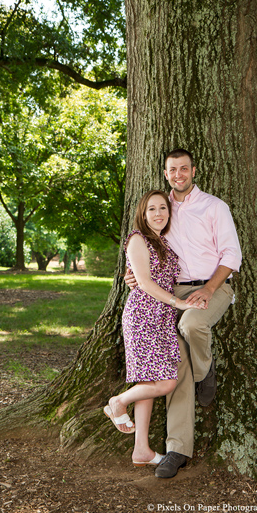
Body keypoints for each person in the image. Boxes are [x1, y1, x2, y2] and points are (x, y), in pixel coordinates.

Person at [125, 149, 242, 478]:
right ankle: (177, 448)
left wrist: (207, 290)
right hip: (173, 292)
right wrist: (131, 274)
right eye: (172, 170)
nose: (179, 174)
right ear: (166, 173)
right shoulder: (162, 208)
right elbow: (143, 245)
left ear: (193, 170)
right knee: (175, 362)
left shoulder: (214, 207)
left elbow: (232, 255)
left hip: (214, 286)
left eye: (184, 169)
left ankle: (206, 371)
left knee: (192, 325)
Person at [104, 190, 204, 466]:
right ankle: (118, 402)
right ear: (142, 214)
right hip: (143, 316)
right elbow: (146, 283)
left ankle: (141, 450)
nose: (158, 213)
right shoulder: (138, 238)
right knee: (166, 382)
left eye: (163, 208)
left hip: (161, 319)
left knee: (148, 381)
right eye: (152, 209)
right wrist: (178, 303)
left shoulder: (163, 242)